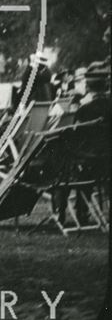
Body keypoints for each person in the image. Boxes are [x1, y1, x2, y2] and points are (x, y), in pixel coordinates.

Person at [54, 61, 110, 226]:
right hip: (106, 159)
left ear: (89, 87)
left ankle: (63, 211)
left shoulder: (84, 110)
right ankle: (82, 211)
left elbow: (78, 136)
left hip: (89, 158)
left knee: (63, 164)